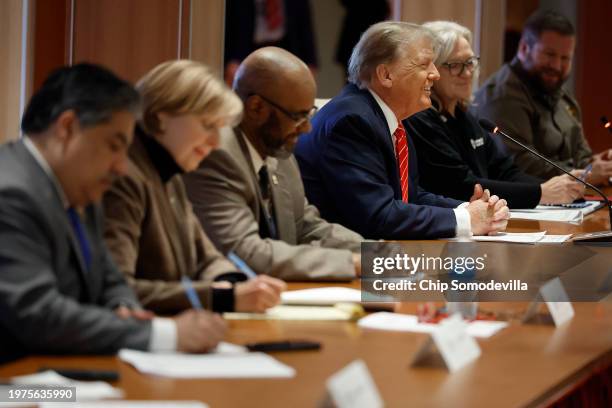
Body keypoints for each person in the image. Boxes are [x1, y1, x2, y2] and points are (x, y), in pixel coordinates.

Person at [0, 64, 226, 363]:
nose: (121, 166)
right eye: (113, 146)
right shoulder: (12, 192)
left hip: (60, 368)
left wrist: (123, 306)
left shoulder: (79, 190)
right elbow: (37, 311)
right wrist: (164, 335)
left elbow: (110, 277)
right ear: (67, 127)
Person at [295, 22, 509, 240]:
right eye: (424, 64)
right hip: (344, 261)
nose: (435, 74)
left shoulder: (386, 117)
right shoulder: (352, 121)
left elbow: (410, 196)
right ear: (386, 75)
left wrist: (470, 209)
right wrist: (466, 220)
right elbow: (378, 216)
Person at [102, 60, 285, 316]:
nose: (214, 142)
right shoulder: (125, 178)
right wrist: (222, 298)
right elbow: (116, 291)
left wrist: (234, 282)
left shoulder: (172, 169)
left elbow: (205, 257)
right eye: (208, 125)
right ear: (160, 117)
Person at [184, 47, 363, 281]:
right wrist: (352, 263)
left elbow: (305, 225)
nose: (307, 128)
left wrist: (378, 254)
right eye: (298, 116)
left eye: (309, 114)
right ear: (256, 107)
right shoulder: (216, 155)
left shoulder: (278, 145)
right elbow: (244, 251)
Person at [405, 21, 584, 208]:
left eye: (470, 62)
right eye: (455, 65)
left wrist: (556, 189)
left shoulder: (466, 117)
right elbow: (461, 185)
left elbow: (505, 171)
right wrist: (540, 193)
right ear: (432, 71)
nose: (467, 73)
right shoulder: (421, 118)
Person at [473, 10, 612, 185]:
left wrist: (599, 163)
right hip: (523, 206)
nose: (557, 65)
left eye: (565, 58)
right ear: (524, 48)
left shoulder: (560, 93)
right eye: (550, 55)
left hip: (571, 200)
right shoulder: (502, 96)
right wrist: (585, 174)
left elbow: (580, 155)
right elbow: (521, 164)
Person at [224, 0, 317, 86]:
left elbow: (305, 30)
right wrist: (230, 63)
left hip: (286, 51)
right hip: (246, 53)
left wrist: (309, 64)